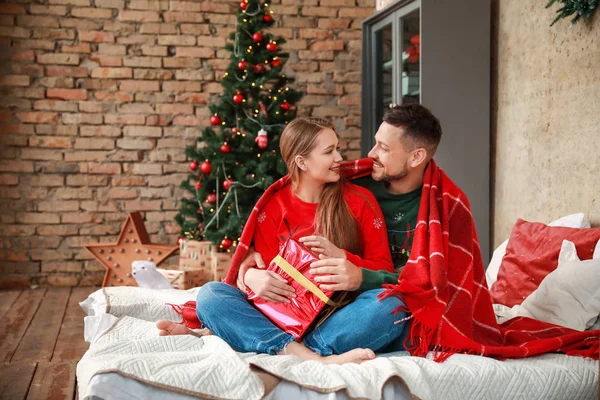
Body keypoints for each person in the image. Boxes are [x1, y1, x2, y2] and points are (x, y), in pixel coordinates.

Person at [157, 117, 403, 364]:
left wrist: (346, 262)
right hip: (280, 315)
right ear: (301, 161)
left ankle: (280, 344)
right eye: (329, 151)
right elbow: (266, 280)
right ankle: (308, 354)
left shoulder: (360, 201)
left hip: (337, 315)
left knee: (390, 306)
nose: (339, 158)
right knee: (211, 295)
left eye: (337, 148)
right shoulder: (275, 205)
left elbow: (384, 270)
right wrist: (251, 277)